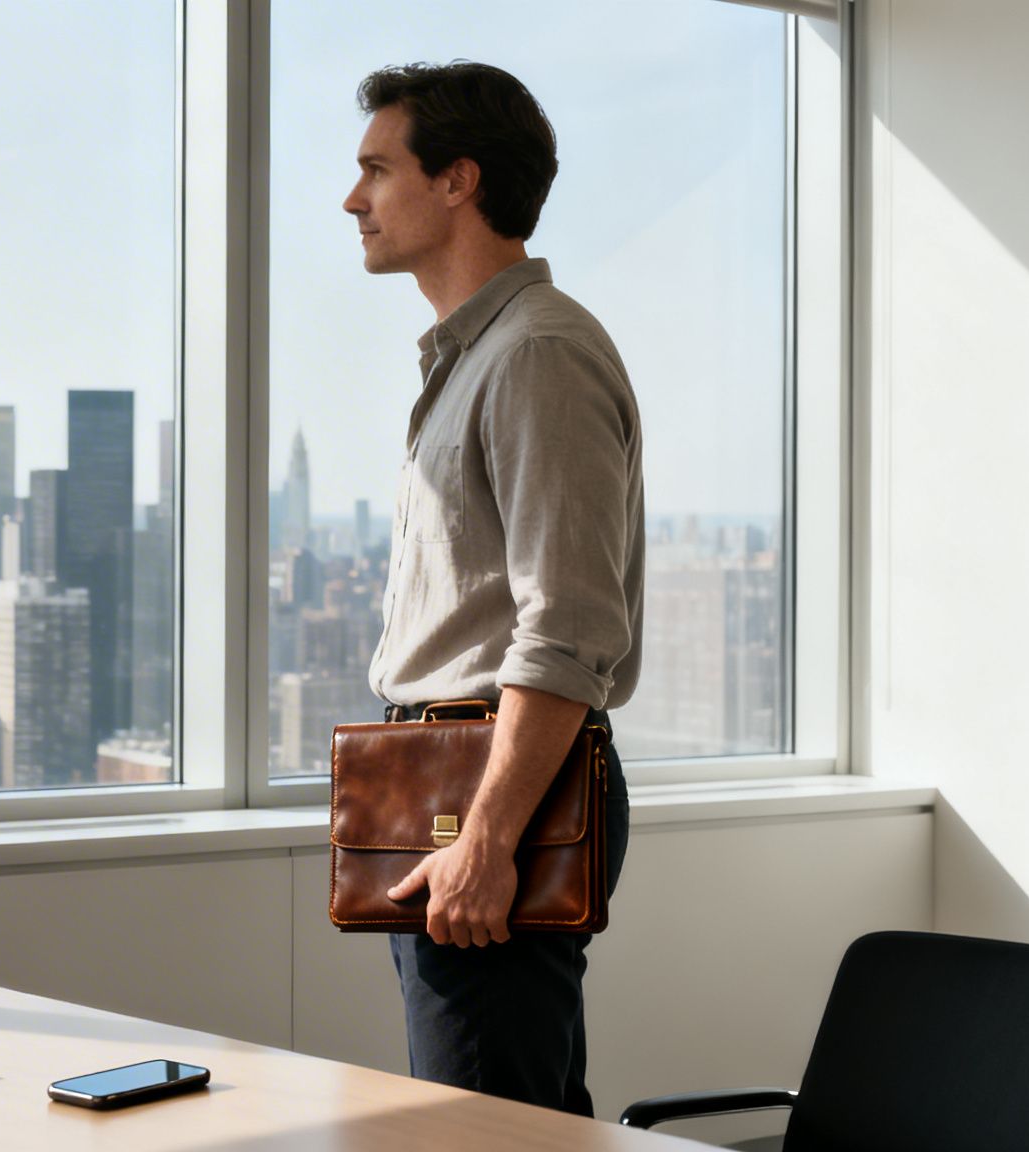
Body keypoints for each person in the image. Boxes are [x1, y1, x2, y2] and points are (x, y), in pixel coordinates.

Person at [343, 61, 644, 1117]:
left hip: (492, 787)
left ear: (457, 180)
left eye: (376, 170)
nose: (353, 200)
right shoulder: (475, 357)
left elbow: (564, 628)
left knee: (483, 1128)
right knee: (504, 1113)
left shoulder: (535, 354)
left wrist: (485, 836)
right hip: (446, 778)